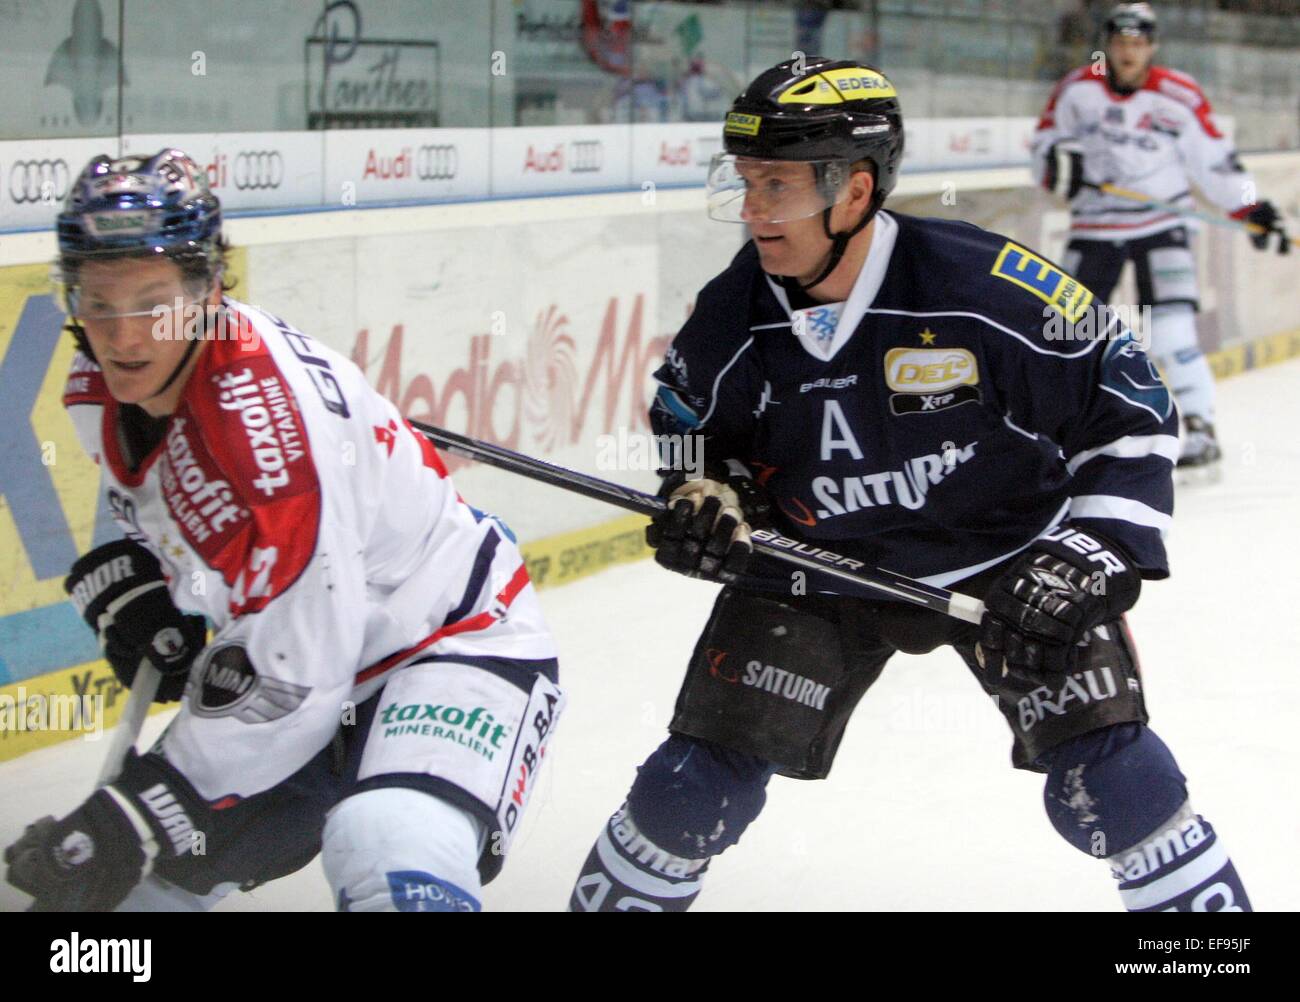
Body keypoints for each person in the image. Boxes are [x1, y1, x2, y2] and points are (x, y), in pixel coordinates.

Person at [568, 57, 1251, 912]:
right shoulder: (729, 314)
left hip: (1010, 558)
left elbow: (1131, 398)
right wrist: (703, 496)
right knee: (688, 794)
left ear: (853, 193)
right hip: (816, 568)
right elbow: (685, 423)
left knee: (1121, 787)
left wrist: (1096, 548)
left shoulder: (984, 289)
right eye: (744, 182)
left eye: (774, 186)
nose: (749, 211)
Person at [3, 150, 563, 912]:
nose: (124, 336)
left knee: (386, 837)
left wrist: (136, 814)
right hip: (296, 667)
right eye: (99, 302)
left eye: (153, 301)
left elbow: (301, 672)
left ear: (206, 290)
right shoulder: (97, 387)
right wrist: (134, 574)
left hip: (447, 643)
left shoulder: (266, 438)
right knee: (122, 907)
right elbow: (183, 533)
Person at [1033, 1, 1290, 474]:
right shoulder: (1075, 91)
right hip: (1094, 226)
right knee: (1065, 331)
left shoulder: (1179, 95)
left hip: (1160, 226)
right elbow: (1046, 146)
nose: (1128, 52)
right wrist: (1056, 167)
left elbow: (1218, 163)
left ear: (1151, 47)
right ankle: (1054, 436)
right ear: (1107, 45)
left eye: (1138, 43)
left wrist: (1254, 208)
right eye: (1120, 42)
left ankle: (1201, 426)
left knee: (1171, 330)